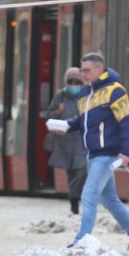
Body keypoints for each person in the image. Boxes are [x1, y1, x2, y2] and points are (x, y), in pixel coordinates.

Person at [48, 53, 129, 249]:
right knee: (109, 199)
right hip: (93, 154)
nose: (83, 74)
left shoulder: (115, 90)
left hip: (107, 154)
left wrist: (127, 150)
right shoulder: (85, 94)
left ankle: (81, 241)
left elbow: (127, 121)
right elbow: (82, 121)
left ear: (100, 69)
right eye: (82, 70)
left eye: (87, 70)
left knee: (89, 194)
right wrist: (66, 126)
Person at [43, 67, 88, 215]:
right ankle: (74, 205)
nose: (74, 85)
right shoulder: (60, 96)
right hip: (65, 142)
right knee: (71, 174)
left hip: (82, 141)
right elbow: (48, 114)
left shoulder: (87, 95)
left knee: (82, 170)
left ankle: (74, 195)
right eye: (71, 81)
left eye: (77, 82)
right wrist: (57, 112)